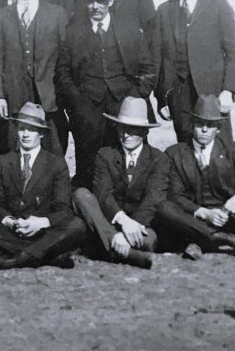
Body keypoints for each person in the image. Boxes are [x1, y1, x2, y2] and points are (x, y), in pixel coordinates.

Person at [55, 0, 156, 190]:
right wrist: (77, 101)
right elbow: (63, 72)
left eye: (100, 1)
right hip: (88, 108)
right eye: (90, 1)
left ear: (110, 1)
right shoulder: (74, 33)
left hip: (124, 105)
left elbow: (148, 68)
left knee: (126, 155)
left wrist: (136, 98)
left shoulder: (129, 30)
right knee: (88, 161)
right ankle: (89, 202)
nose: (95, 6)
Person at [157, 95, 235, 261]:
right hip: (194, 217)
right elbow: (176, 195)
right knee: (164, 207)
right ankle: (219, 238)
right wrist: (204, 213)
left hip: (228, 216)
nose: (204, 130)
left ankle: (200, 241)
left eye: (210, 125)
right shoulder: (175, 153)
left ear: (218, 129)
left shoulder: (229, 149)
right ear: (192, 125)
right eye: (199, 124)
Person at [0, 103, 87, 271]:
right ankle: (47, 256)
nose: (25, 134)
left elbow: (63, 209)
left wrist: (41, 222)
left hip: (43, 232)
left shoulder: (56, 164)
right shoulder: (2, 162)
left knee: (77, 226)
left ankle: (15, 260)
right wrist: (10, 221)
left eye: (32, 130)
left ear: (41, 133)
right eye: (22, 129)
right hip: (13, 232)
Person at [155, 0, 235, 145]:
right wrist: (162, 98)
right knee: (185, 149)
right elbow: (160, 59)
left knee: (219, 149)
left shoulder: (218, 6)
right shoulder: (164, 10)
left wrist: (228, 91)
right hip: (179, 98)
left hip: (213, 95)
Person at [71, 97, 168, 269]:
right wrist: (121, 224)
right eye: (122, 128)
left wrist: (130, 228)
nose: (126, 134)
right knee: (81, 195)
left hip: (139, 226)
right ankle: (129, 254)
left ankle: (107, 246)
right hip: (109, 222)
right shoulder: (105, 155)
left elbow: (153, 200)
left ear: (145, 132)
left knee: (148, 241)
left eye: (133, 130)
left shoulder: (158, 159)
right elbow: (103, 195)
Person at [0, 0, 69, 155]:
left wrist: (64, 93)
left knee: (53, 148)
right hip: (14, 94)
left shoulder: (56, 13)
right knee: (13, 148)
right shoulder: (1, 16)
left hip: (49, 95)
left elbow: (65, 57)